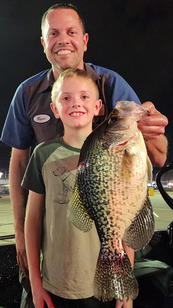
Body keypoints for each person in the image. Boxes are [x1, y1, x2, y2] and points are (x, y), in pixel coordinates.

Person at [0, 3, 168, 308]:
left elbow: (155, 158)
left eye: (71, 32)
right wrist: (22, 240)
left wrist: (153, 131)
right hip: (52, 238)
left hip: (100, 227)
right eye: (54, 33)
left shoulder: (110, 84)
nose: (63, 39)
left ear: (85, 40)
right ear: (44, 43)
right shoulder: (27, 93)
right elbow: (19, 164)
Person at [23, 68, 134, 308]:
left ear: (97, 107)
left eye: (85, 97)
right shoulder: (42, 154)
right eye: (66, 97)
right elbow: (32, 218)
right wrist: (35, 281)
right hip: (55, 285)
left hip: (105, 286)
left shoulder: (113, 154)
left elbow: (122, 222)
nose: (76, 103)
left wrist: (125, 288)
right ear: (54, 109)